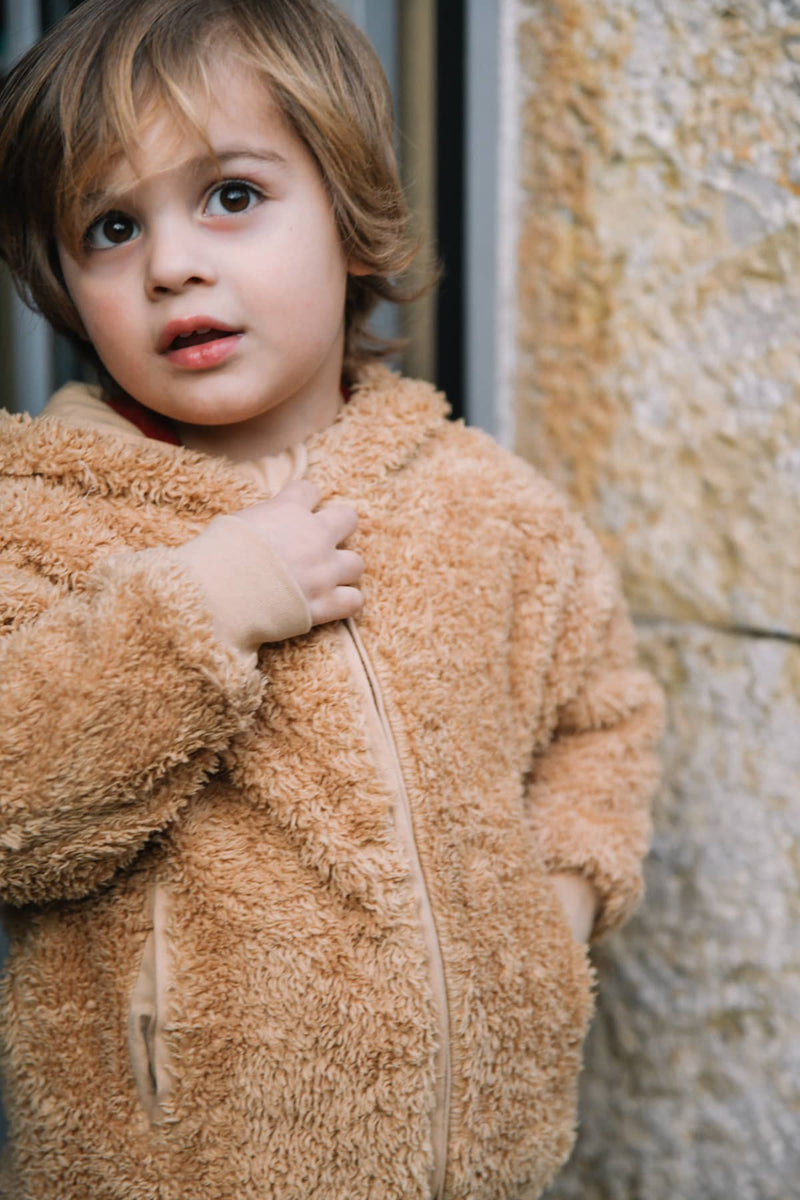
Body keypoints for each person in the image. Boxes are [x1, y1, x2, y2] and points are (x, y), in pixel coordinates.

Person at [0, 1, 662, 1197]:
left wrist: (552, 913)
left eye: (232, 196)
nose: (173, 262)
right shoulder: (41, 521)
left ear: (352, 217)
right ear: (64, 285)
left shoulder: (482, 503)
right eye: (109, 225)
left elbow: (600, 713)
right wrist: (194, 610)